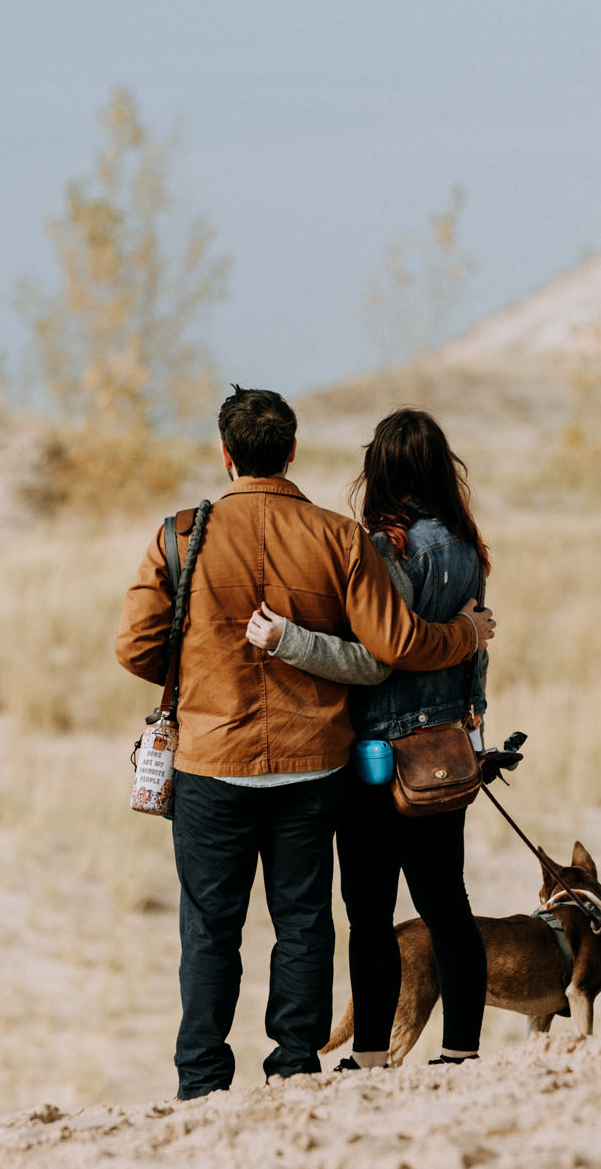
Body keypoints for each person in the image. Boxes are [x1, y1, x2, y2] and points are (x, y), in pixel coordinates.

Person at [115, 387, 496, 1100]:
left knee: (209, 929)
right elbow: (391, 648)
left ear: (225, 454)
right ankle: (294, 1066)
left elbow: (135, 647)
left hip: (210, 764)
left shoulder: (179, 535)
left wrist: (202, 673)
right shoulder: (338, 537)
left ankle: (202, 1082)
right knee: (303, 924)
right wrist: (468, 635)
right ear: (291, 450)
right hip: (313, 763)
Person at [244, 407, 491, 1068]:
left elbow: (378, 653)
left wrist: (289, 641)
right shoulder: (466, 546)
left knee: (371, 912)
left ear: (379, 468)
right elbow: (477, 639)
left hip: (375, 757)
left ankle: (373, 1056)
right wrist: (473, 715)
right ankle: (461, 1052)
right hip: (442, 753)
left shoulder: (382, 548)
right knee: (447, 905)